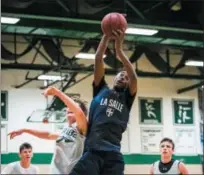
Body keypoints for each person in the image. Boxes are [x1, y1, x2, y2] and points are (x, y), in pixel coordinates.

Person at [70, 29, 137, 175]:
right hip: (93, 150)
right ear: (114, 78)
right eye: (120, 75)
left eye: (126, 78)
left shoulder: (127, 98)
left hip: (113, 154)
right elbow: (98, 58)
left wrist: (119, 51)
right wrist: (106, 36)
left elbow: (134, 78)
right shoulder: (101, 89)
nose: (123, 78)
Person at [8, 87, 88, 174]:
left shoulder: (82, 128)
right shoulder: (65, 129)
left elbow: (78, 113)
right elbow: (49, 135)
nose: (69, 108)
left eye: (72, 106)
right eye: (68, 106)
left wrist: (57, 92)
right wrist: (25, 130)